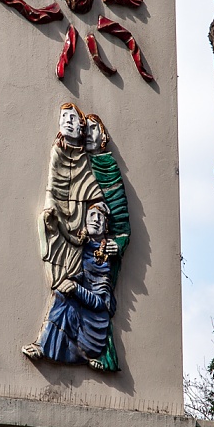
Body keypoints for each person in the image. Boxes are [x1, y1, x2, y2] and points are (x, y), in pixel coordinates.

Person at [23, 204, 116, 369]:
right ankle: (43, 345)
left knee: (64, 299)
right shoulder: (81, 247)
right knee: (61, 295)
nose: (96, 219)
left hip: (91, 328)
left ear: (106, 226)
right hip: (76, 316)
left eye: (100, 217)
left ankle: (45, 346)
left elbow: (101, 302)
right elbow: (64, 250)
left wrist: (75, 288)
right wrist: (54, 227)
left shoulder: (103, 259)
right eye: (92, 215)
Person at [38, 103, 103, 290]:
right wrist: (52, 208)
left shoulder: (84, 158)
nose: (68, 121)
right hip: (57, 213)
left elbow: (90, 187)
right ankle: (59, 280)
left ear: (81, 127)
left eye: (72, 118)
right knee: (50, 228)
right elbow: (52, 185)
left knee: (77, 250)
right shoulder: (57, 151)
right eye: (64, 117)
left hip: (79, 219)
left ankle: (74, 278)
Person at [85, 114, 131, 371]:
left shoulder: (107, 168)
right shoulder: (77, 162)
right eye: (86, 128)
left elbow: (122, 223)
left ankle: (105, 355)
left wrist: (118, 244)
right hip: (80, 242)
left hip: (102, 250)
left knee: (98, 299)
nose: (88, 133)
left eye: (93, 129)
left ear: (104, 137)